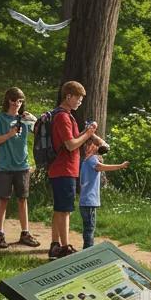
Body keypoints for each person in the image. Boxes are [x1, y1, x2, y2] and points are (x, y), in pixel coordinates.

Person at [47, 80, 99, 259]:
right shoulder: (62, 117)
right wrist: (88, 134)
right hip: (64, 168)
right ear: (68, 96)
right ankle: (65, 247)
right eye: (78, 98)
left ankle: (55, 246)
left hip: (62, 169)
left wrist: (86, 132)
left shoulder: (66, 116)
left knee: (59, 208)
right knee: (65, 210)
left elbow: (73, 139)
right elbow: (70, 145)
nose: (80, 102)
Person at [0, 86, 39, 248]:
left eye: (19, 101)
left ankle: (25, 233)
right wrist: (10, 134)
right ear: (7, 100)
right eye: (13, 100)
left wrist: (34, 120)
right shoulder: (0, 118)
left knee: (23, 200)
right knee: (3, 200)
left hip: (22, 165)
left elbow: (40, 131)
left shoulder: (24, 119)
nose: (16, 104)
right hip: (5, 166)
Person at [79, 141, 129, 249]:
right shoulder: (92, 159)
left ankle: (87, 249)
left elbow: (104, 146)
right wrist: (120, 166)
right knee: (90, 228)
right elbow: (101, 167)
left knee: (88, 228)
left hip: (85, 201)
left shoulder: (85, 161)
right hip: (89, 201)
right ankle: (88, 251)